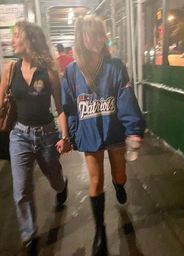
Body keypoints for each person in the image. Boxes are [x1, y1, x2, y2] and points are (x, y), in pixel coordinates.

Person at [61, 14, 145, 256]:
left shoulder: (115, 67)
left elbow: (126, 100)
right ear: (81, 37)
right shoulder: (71, 71)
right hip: (90, 134)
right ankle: (100, 230)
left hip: (115, 131)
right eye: (93, 34)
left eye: (101, 33)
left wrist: (133, 130)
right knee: (96, 181)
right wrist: (72, 135)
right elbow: (68, 108)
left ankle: (119, 186)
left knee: (119, 174)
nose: (100, 38)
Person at [0, 21, 71, 256]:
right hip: (19, 135)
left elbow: (60, 108)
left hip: (47, 135)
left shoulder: (49, 73)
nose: (12, 40)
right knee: (21, 190)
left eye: (16, 36)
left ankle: (62, 187)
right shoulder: (9, 70)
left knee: (54, 178)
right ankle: (29, 236)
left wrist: (65, 136)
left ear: (29, 40)